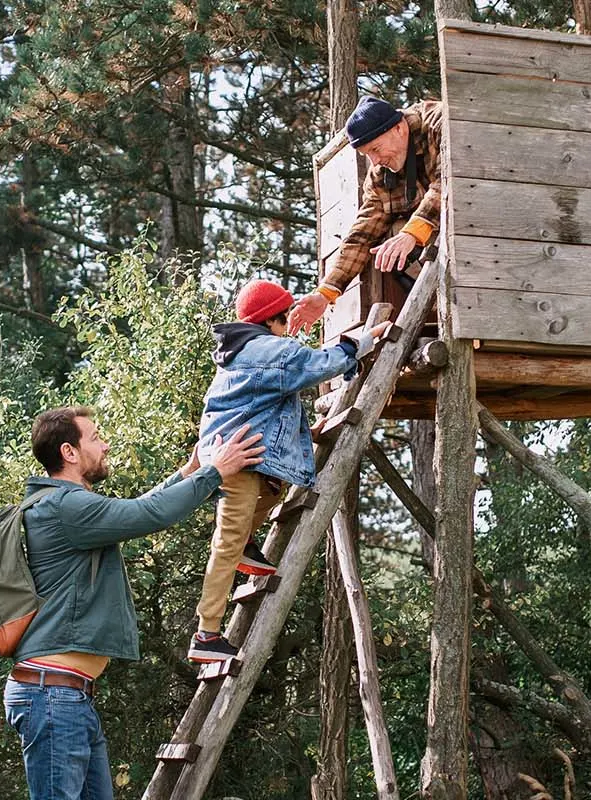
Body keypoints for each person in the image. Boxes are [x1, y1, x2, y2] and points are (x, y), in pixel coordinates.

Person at [6, 406, 265, 800]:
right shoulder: (65, 507)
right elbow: (147, 514)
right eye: (94, 438)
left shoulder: (66, 504)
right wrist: (215, 472)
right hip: (53, 697)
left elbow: (134, 510)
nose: (104, 444)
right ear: (69, 452)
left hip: (67, 696)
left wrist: (187, 474)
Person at [186, 280, 391, 663]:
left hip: (242, 454)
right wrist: (362, 342)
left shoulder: (238, 352)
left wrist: (305, 433)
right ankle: (206, 633)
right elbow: (317, 364)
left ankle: (247, 546)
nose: (290, 326)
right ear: (274, 318)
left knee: (272, 491)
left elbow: (268, 407)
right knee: (226, 540)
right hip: (239, 459)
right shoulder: (269, 349)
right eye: (286, 317)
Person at [288, 95, 447, 331]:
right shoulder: (380, 174)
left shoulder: (440, 124)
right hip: (439, 262)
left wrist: (412, 233)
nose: (375, 161)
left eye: (375, 149)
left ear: (399, 128)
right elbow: (362, 234)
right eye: (367, 155)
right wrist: (326, 292)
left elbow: (448, 182)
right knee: (388, 243)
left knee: (403, 235)